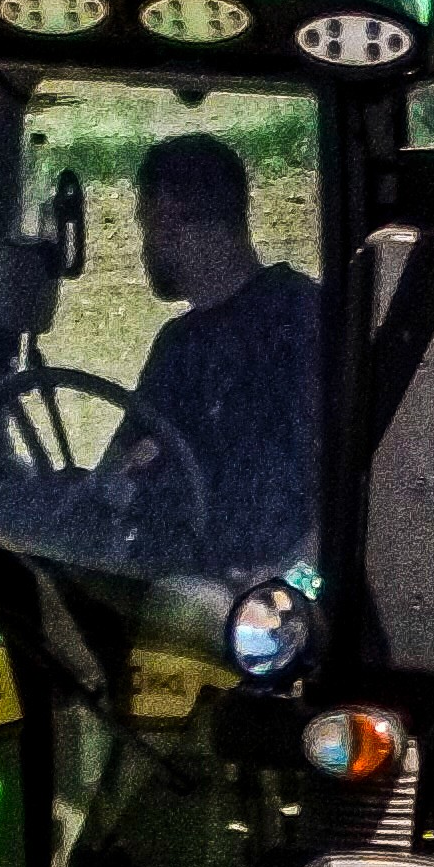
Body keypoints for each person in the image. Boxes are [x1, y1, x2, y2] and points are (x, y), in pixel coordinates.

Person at [114, 130, 330, 574]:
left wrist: (290, 586)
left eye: (147, 226)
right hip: (176, 580)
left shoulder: (302, 323)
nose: (146, 248)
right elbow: (120, 469)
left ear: (169, 221)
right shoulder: (177, 346)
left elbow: (345, 493)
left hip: (258, 594)